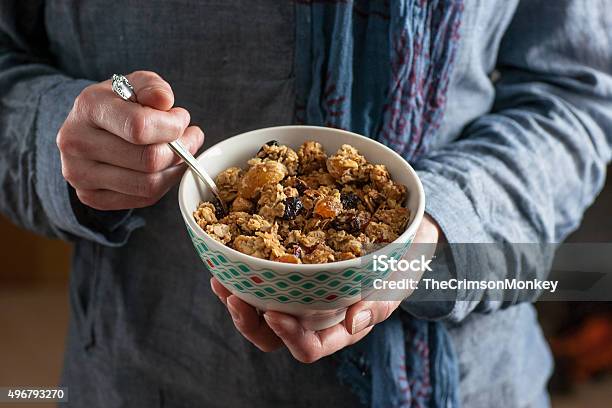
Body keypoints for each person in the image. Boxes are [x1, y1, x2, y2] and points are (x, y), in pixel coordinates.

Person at [1, 1, 610, 407]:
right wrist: (62, 134)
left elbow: (577, 97)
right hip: (152, 372)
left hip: (473, 380)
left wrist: (432, 228)